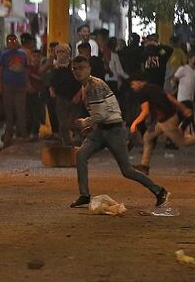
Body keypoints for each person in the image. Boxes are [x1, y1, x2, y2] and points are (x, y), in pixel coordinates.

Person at [68, 57, 169, 209]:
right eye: (75, 68)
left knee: (127, 170)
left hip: (114, 130)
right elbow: (102, 113)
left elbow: (100, 115)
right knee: (81, 154)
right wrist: (91, 125)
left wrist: (84, 122)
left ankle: (159, 191)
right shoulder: (88, 85)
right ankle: (84, 195)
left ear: (89, 69)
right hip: (102, 129)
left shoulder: (93, 86)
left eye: (81, 68)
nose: (77, 71)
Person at [129, 73, 195, 174]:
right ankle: (144, 166)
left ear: (139, 82)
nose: (132, 87)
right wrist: (183, 109)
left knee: (183, 142)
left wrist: (134, 124)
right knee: (147, 137)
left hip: (167, 121)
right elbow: (170, 97)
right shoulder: (154, 87)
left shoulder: (142, 93)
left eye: (133, 84)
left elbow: (145, 111)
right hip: (167, 119)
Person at [0, 33, 28, 147]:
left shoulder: (23, 54)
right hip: (8, 86)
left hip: (21, 86)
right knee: (9, 111)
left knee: (21, 111)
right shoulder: (4, 55)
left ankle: (22, 134)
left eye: (14, 40)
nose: (12, 42)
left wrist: (27, 84)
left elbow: (26, 69)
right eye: (9, 40)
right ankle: (8, 135)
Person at [48, 43, 81, 146]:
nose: (61, 54)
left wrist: (79, 95)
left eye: (63, 52)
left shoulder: (73, 66)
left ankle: (80, 138)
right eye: (59, 52)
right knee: (62, 124)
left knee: (73, 122)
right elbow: (52, 82)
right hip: (61, 98)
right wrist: (52, 90)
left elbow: (81, 82)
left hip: (74, 97)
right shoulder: (56, 67)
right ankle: (67, 144)